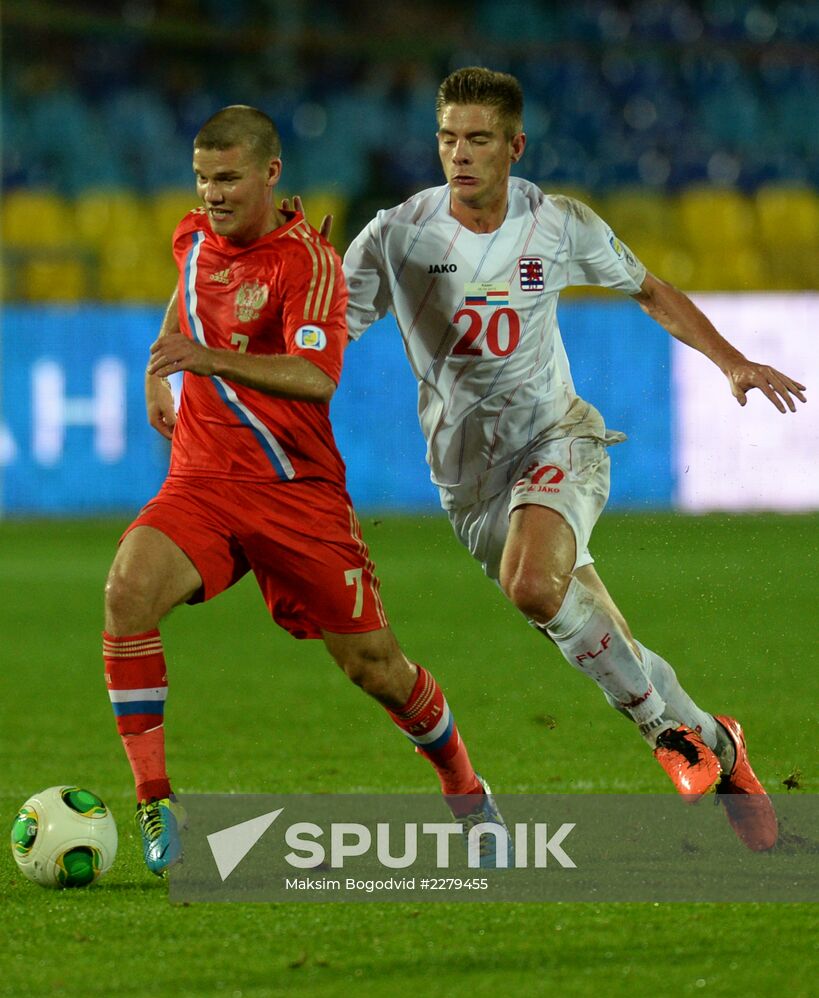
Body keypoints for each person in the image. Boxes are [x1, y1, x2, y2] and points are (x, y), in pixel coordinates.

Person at [341, 67, 808, 852]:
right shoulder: (397, 235)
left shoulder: (556, 224)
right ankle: (720, 745)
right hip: (470, 486)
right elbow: (325, 330)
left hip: (558, 442)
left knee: (533, 585)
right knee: (601, 633)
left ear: (514, 146)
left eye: (478, 138)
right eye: (448, 137)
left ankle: (669, 733)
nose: (459, 153)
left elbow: (649, 289)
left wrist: (730, 361)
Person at [103, 104, 511, 877]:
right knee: (126, 592)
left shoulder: (306, 265)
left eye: (227, 179)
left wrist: (208, 360)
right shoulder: (191, 234)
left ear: (269, 174)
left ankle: (465, 789)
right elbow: (188, 284)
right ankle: (155, 796)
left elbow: (315, 378)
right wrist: (162, 368)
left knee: (375, 669)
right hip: (203, 480)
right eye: (201, 179)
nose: (211, 194)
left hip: (297, 495)